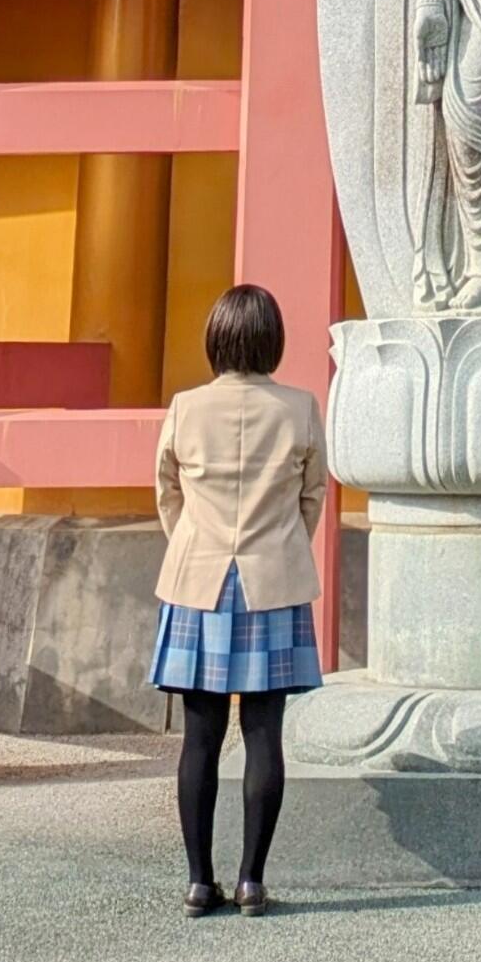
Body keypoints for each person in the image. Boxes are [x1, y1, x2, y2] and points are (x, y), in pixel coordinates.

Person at [150, 280, 325, 916]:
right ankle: (252, 879)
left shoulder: (184, 408)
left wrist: (192, 543)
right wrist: (276, 548)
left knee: (198, 739)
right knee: (263, 735)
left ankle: (200, 881)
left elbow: (167, 492)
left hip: (197, 584)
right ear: (273, 340)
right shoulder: (300, 408)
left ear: (215, 339)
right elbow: (312, 501)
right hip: (270, 585)